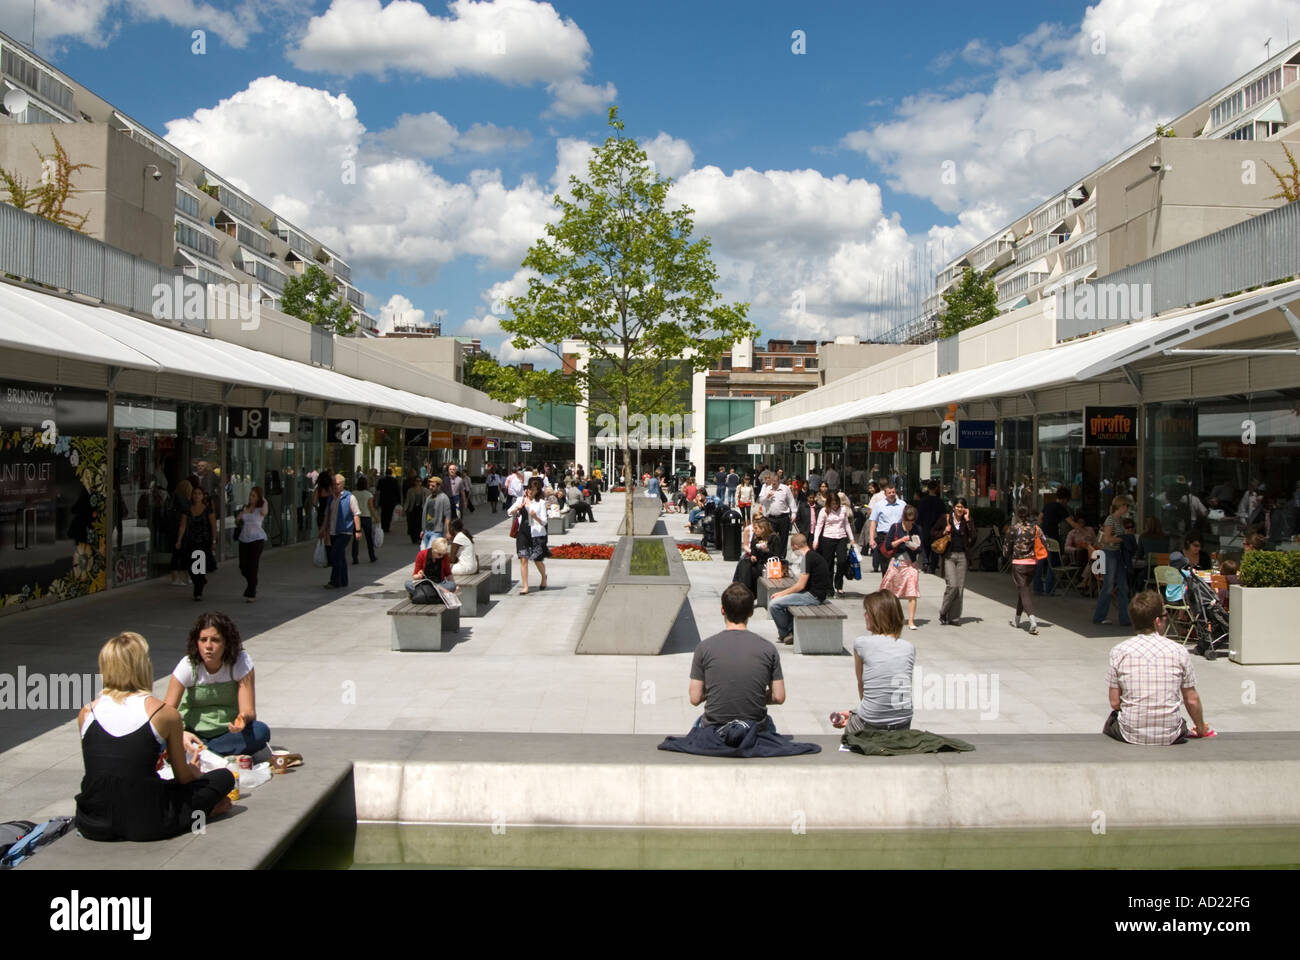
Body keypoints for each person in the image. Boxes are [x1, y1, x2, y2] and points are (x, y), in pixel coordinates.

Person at [75, 632, 234, 842]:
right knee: (224, 777)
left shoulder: (86, 712)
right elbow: (183, 778)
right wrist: (194, 772)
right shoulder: (163, 713)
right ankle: (205, 811)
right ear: (143, 667)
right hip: (147, 822)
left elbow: (107, 774)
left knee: (143, 787)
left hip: (93, 822)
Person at [1104, 590, 1210, 745]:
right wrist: (1201, 728)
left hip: (1131, 733)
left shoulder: (1119, 651)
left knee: (1112, 720)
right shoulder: (1178, 650)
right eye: (1165, 616)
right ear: (1157, 621)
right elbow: (1191, 699)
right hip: (1170, 733)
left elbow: (1114, 702)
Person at [164, 611, 270, 757]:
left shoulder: (240, 662)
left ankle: (202, 753)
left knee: (260, 731)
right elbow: (166, 713)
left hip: (227, 734)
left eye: (215, 640)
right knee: (157, 738)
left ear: (226, 643)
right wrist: (181, 734)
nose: (208, 646)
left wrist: (242, 719)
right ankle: (208, 753)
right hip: (193, 732)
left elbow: (249, 711)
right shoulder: (188, 665)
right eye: (203, 640)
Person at [689, 583, 785, 728]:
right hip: (753, 727)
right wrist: (753, 698)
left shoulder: (704, 648)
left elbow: (695, 698)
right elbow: (779, 696)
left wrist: (718, 695)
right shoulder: (768, 648)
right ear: (751, 612)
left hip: (715, 727)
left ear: (722, 610)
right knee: (768, 723)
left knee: (698, 723)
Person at [829, 591, 914, 733]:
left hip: (870, 723)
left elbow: (862, 685)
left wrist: (856, 715)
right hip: (903, 724)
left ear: (877, 615)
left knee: (854, 725)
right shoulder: (909, 648)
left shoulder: (862, 644)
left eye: (867, 612)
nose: (864, 616)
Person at [768, 534, 832, 645]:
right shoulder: (813, 556)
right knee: (784, 602)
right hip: (816, 593)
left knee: (774, 604)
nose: (792, 550)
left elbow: (800, 585)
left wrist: (781, 593)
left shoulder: (807, 559)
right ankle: (790, 629)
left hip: (813, 596)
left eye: (792, 547)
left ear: (796, 546)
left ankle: (786, 633)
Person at [934, 497, 978, 626]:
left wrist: (968, 520)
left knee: (960, 588)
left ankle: (953, 618)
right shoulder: (945, 518)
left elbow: (974, 537)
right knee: (952, 585)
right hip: (949, 556)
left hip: (962, 557)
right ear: (953, 507)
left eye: (962, 507)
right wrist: (944, 531)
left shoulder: (967, 521)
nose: (960, 509)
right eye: (957, 506)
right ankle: (943, 611)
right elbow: (933, 532)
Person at [880, 504, 921, 630]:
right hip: (897, 563)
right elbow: (888, 545)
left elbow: (921, 546)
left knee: (912, 592)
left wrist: (916, 547)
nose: (910, 524)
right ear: (903, 518)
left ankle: (911, 621)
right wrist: (901, 540)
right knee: (891, 593)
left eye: (912, 521)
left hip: (911, 564)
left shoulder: (917, 529)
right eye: (908, 521)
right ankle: (890, 618)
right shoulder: (895, 527)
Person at [1004, 505, 1044, 635]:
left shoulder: (1013, 529)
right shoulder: (1036, 528)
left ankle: (1032, 620)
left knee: (1024, 591)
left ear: (1016, 515)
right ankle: (1017, 619)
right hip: (1032, 564)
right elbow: (1046, 542)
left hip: (1018, 564)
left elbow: (1006, 551)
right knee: (1024, 590)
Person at [1093, 496, 1133, 627]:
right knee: (1108, 586)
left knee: (1123, 586)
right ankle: (1099, 616)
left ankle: (1124, 618)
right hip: (1109, 553)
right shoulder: (1110, 519)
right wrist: (1122, 539)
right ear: (1120, 506)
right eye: (1126, 505)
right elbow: (1106, 539)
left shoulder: (1119, 520)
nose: (1127, 508)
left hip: (1117, 554)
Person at [319, 473, 361, 589]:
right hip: (333, 531)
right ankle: (343, 580)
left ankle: (334, 581)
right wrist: (323, 529)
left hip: (345, 531)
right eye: (333, 484)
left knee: (335, 554)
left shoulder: (350, 497)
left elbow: (356, 515)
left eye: (337, 484)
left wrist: (358, 531)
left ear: (343, 484)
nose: (334, 486)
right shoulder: (331, 498)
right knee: (340, 556)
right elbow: (327, 515)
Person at [508, 477, 549, 595]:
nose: (531, 491)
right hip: (522, 532)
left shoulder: (540, 503)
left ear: (537, 491)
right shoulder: (520, 500)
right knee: (523, 559)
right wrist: (517, 508)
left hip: (536, 534)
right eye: (530, 489)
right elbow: (509, 512)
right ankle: (525, 586)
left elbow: (544, 522)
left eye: (534, 490)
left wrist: (535, 516)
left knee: (537, 560)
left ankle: (543, 577)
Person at [175, 483, 216, 602]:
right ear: (192, 495)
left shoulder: (208, 509)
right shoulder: (187, 509)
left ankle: (198, 592)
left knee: (199, 567)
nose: (197, 496)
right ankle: (200, 581)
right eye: (195, 493)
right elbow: (182, 526)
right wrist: (179, 540)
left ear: (203, 496)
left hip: (203, 541)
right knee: (191, 567)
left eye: (199, 494)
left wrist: (213, 540)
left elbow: (213, 526)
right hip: (190, 541)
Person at [812, 486, 852, 599]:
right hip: (828, 538)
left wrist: (852, 538)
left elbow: (846, 524)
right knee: (828, 564)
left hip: (841, 537)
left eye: (836, 503)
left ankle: (839, 584)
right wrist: (816, 540)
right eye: (833, 504)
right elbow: (819, 526)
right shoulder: (824, 511)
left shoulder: (843, 509)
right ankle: (829, 588)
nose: (835, 506)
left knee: (842, 562)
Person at [236, 485, 269, 603]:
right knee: (243, 566)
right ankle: (253, 583)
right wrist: (242, 513)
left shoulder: (261, 508)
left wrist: (263, 499)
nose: (251, 497)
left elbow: (265, 512)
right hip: (244, 538)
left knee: (253, 565)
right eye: (250, 495)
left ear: (259, 497)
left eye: (254, 495)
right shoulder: (246, 507)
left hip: (257, 539)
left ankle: (251, 592)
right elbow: (238, 518)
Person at [865, 482, 906, 577]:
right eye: (889, 493)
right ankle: (886, 588)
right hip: (884, 537)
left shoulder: (902, 504)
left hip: (898, 537)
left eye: (893, 492)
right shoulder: (879, 505)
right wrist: (871, 539)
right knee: (885, 566)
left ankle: (896, 588)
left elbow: (906, 520)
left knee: (898, 566)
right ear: (885, 494)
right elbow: (873, 522)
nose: (892, 494)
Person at [758, 473, 797, 560]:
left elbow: (791, 501)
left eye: (775, 481)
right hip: (771, 517)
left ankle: (782, 557)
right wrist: (767, 496)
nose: (773, 483)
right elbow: (761, 501)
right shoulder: (767, 488)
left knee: (783, 539)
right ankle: (771, 556)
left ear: (778, 481)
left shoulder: (785, 488)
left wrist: (794, 513)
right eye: (772, 481)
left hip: (783, 517)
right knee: (771, 538)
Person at [733, 517, 775, 595]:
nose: (753, 530)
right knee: (743, 562)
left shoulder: (773, 538)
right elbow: (753, 552)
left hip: (768, 564)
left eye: (756, 528)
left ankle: (744, 590)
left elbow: (777, 554)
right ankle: (742, 588)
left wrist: (767, 550)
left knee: (750, 570)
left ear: (763, 529)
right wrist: (753, 556)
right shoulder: (756, 539)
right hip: (757, 562)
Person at [914, 480, 946, 574]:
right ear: (936, 488)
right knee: (935, 547)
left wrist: (918, 525)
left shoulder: (923, 501)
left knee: (925, 545)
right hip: (936, 528)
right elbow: (943, 515)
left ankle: (925, 562)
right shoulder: (940, 502)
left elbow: (918, 515)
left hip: (925, 527)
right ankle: (933, 566)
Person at [168, 478, 193, 586]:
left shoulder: (175, 500)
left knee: (178, 554)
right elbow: (183, 522)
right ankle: (180, 576)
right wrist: (179, 538)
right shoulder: (184, 503)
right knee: (181, 554)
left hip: (175, 531)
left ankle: (180, 576)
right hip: (180, 532)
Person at [351, 475, 378, 564]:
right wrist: (376, 517)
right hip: (366, 517)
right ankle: (372, 556)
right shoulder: (368, 494)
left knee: (356, 538)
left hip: (356, 517)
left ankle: (355, 557)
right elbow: (371, 507)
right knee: (369, 538)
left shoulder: (353, 493)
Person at [421, 476, 452, 550]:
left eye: (433, 486)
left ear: (439, 486)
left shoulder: (444, 498)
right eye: (430, 485)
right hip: (427, 530)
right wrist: (423, 529)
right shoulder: (429, 497)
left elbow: (448, 516)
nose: (430, 487)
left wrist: (448, 532)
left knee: (430, 552)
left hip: (436, 531)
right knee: (425, 552)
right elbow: (425, 514)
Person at [403, 475, 425, 545]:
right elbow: (407, 501)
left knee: (420, 524)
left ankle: (419, 538)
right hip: (413, 509)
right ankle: (414, 538)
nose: (418, 482)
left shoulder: (424, 490)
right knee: (413, 524)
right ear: (414, 482)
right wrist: (404, 509)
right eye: (417, 481)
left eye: (420, 481)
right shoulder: (410, 490)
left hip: (421, 509)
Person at [378, 468, 402, 533]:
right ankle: (387, 527)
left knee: (383, 513)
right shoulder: (394, 481)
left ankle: (383, 526)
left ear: (386, 473)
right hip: (392, 500)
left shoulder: (381, 480)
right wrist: (399, 501)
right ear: (391, 473)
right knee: (389, 514)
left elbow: (378, 489)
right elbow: (397, 491)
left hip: (383, 500)